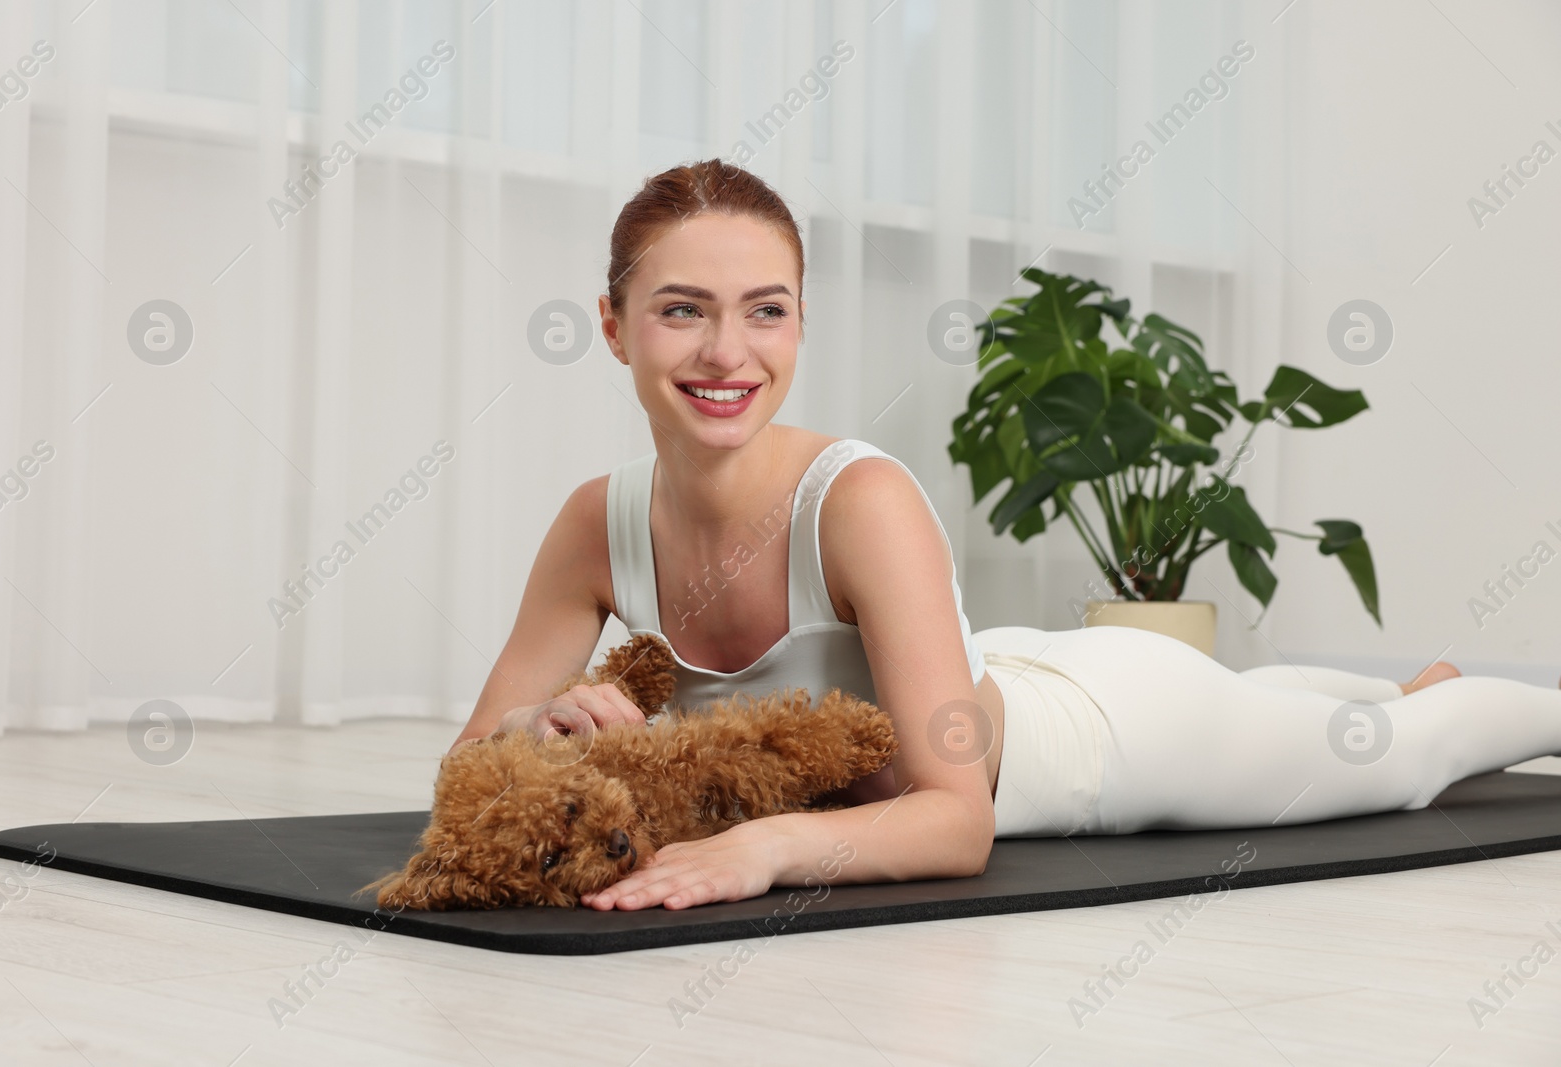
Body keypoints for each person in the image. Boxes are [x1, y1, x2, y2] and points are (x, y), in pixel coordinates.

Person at [451, 159, 1561, 912]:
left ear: (801, 320)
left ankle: (1438, 704)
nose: (727, 351)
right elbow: (466, 765)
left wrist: (768, 846)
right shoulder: (593, 522)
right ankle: (1399, 686)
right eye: (682, 308)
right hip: (1005, 662)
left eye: (767, 308)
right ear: (612, 326)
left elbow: (955, 821)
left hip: (1103, 734)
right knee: (1316, 709)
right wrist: (534, 726)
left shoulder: (857, 500)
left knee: (1403, 761)